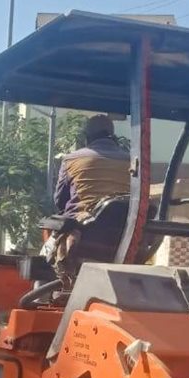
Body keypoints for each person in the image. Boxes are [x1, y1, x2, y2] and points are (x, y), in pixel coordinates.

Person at [47, 114, 131, 285]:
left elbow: (60, 201)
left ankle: (48, 289)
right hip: (125, 235)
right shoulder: (132, 161)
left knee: (47, 252)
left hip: (84, 234)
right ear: (113, 136)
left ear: (87, 137)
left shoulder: (72, 159)